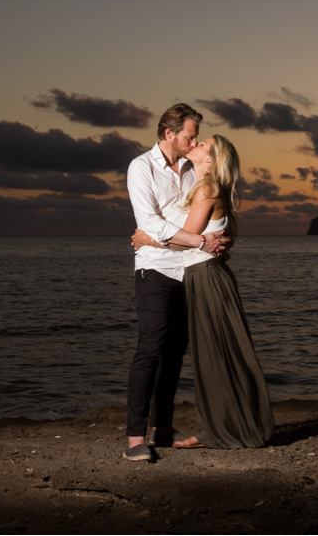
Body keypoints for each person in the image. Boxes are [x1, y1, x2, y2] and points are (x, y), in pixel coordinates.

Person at [133, 134, 274, 449]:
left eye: (203, 144)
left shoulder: (207, 189)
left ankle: (222, 430)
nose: (195, 144)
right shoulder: (205, 188)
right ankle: (228, 425)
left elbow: (189, 237)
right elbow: (203, 237)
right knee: (217, 355)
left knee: (214, 356)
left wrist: (147, 239)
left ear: (211, 160)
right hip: (204, 276)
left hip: (206, 278)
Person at [124, 104, 232, 462]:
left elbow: (200, 220)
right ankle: (135, 439)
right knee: (149, 350)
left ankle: (164, 430)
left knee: (174, 355)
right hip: (154, 268)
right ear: (169, 134)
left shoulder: (195, 167)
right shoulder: (141, 167)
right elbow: (150, 223)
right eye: (190, 135)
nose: (195, 140)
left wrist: (213, 238)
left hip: (190, 270)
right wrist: (199, 241)